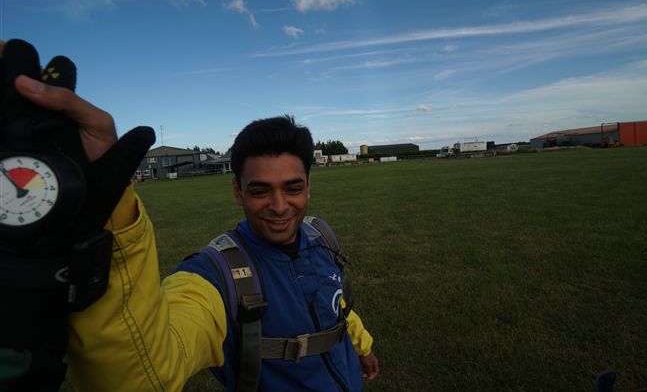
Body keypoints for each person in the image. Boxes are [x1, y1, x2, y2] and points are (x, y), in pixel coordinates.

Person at [12, 57, 379, 392]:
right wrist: (108, 215)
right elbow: (144, 376)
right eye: (260, 190)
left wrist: (363, 347)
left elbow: (334, 304)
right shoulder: (216, 276)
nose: (280, 207)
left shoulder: (319, 236)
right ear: (237, 191)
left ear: (309, 187)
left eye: (293, 188)